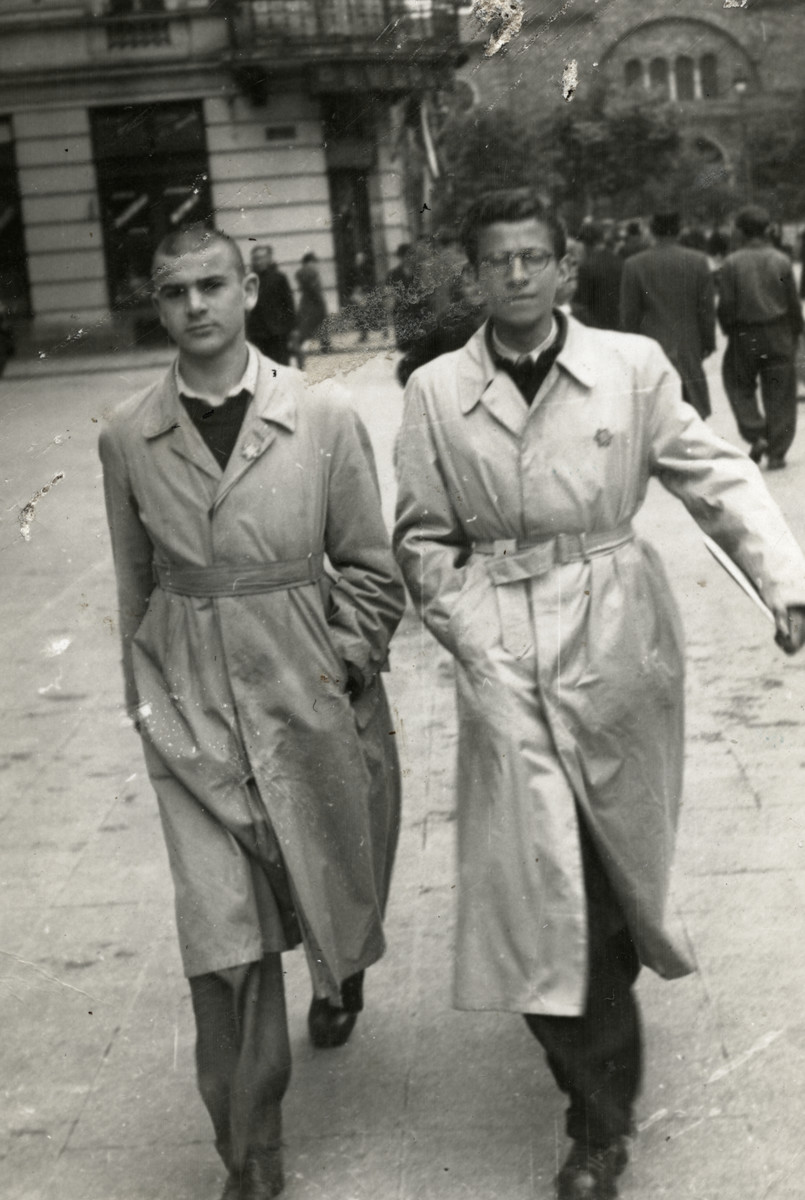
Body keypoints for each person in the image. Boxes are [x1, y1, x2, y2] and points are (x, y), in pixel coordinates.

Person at [393, 188, 805, 1200]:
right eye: (499, 261)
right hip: (502, 646)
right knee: (538, 878)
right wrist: (468, 631)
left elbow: (714, 476)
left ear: (565, 268)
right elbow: (419, 536)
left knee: (611, 869)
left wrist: (786, 586)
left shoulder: (631, 369)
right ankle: (596, 1121)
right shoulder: (439, 393)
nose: (519, 275)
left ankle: (602, 1061)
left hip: (618, 630)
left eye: (536, 257)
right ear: (476, 276)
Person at [99, 224, 405, 1200]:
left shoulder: (320, 412)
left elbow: (368, 566)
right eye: (172, 290)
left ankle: (338, 977)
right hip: (188, 710)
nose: (195, 305)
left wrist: (342, 661)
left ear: (246, 290)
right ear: (156, 305)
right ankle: (252, 1153)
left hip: (301, 691)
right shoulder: (126, 434)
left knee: (320, 889)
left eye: (212, 284)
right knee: (222, 939)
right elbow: (133, 585)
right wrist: (147, 703)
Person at [718, 204, 804, 469]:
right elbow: (792, 302)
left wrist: (728, 328)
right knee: (780, 391)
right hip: (778, 332)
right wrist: (797, 333)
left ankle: (756, 432)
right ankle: (777, 450)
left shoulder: (732, 263)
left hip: (746, 334)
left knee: (737, 383)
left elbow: (726, 305)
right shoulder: (780, 260)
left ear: (741, 232)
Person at [620, 211, 716, 419]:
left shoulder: (634, 265)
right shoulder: (698, 261)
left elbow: (629, 315)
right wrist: (708, 342)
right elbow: (706, 309)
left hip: (650, 346)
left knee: (655, 413)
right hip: (688, 345)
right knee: (692, 411)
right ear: (680, 230)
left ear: (652, 231)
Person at [244, 245, 297, 365]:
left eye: (262, 258)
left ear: (269, 259)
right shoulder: (249, 280)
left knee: (281, 364)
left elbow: (288, 303)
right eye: (255, 258)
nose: (258, 262)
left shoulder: (278, 278)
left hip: (277, 331)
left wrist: (293, 328)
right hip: (257, 332)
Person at [572, 220, 623, 330]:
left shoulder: (586, 268)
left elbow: (581, 305)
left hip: (596, 328)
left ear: (585, 244)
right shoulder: (619, 261)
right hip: (619, 326)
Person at [295, 251, 330, 353]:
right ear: (309, 262)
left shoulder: (300, 272)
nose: (315, 264)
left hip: (306, 301)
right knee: (321, 323)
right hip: (314, 302)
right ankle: (325, 345)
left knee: (306, 324)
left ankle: (303, 344)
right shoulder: (311, 272)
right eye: (313, 262)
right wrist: (320, 300)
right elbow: (314, 287)